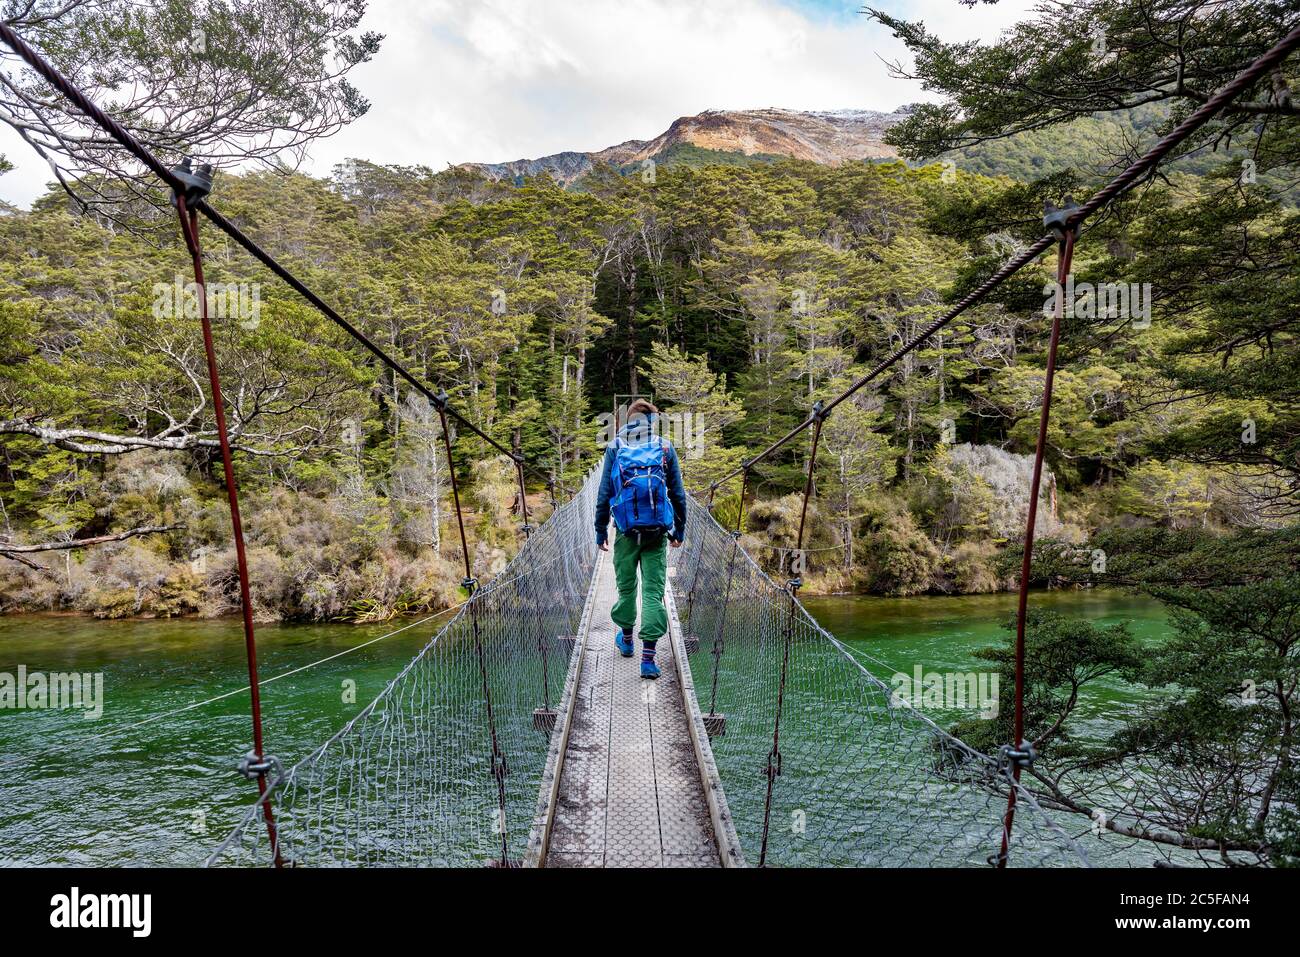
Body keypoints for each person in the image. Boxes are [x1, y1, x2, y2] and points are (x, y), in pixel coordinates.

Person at [593, 399, 687, 679]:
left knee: (626, 588)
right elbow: (678, 495)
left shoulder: (615, 447)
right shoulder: (666, 447)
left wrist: (600, 531)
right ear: (652, 422)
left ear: (627, 420)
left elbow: (603, 494)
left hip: (624, 531)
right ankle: (648, 660)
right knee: (653, 592)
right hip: (657, 532)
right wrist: (678, 531)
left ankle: (626, 640)